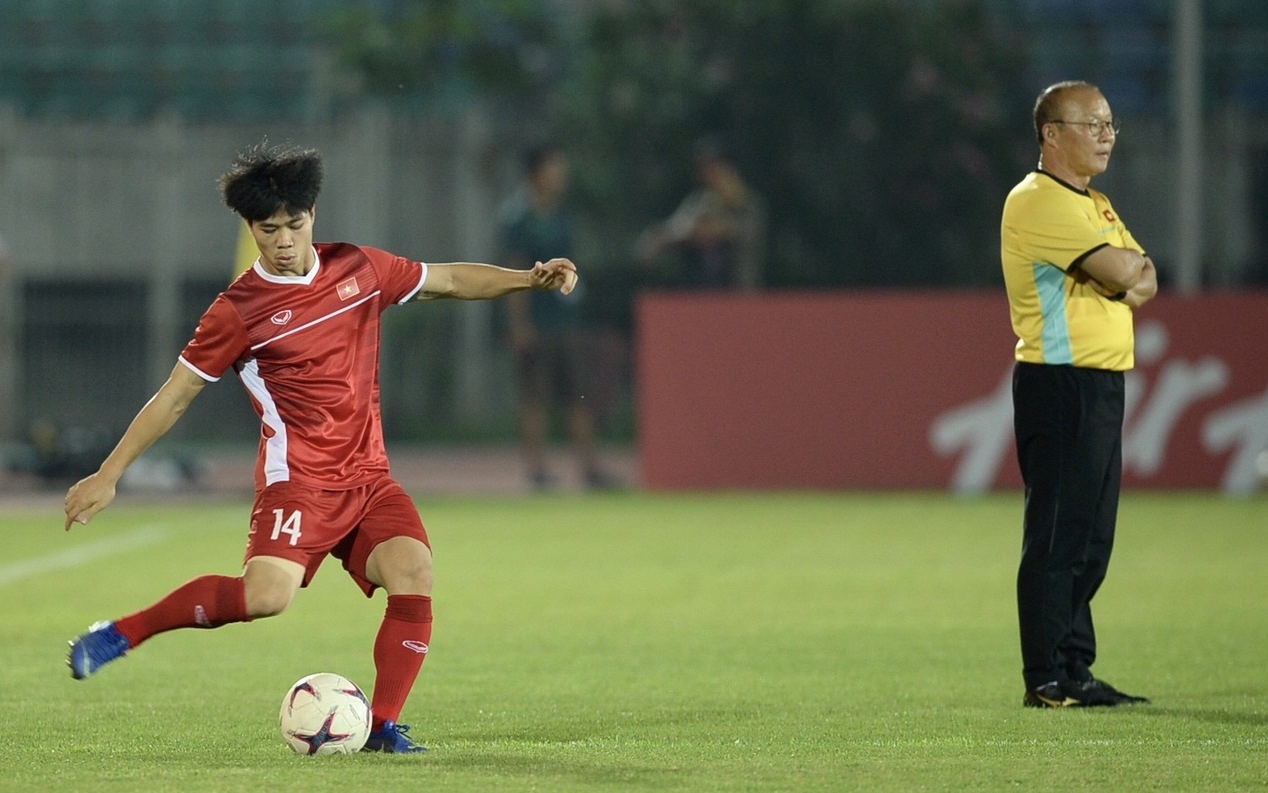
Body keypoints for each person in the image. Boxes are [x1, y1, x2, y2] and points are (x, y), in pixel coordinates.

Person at [62, 142, 578, 752]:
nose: (282, 241)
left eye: (294, 224)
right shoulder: (237, 311)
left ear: (314, 214)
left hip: (368, 477)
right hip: (299, 482)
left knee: (414, 571)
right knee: (265, 598)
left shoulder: (359, 269)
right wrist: (108, 473)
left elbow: (450, 280)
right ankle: (122, 633)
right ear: (250, 228)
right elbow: (174, 397)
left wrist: (529, 279)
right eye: (267, 229)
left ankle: (383, 726)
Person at [1001, 81, 1157, 709]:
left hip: (1099, 384)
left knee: (1091, 540)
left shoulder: (1094, 203)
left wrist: (1123, 273)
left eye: (1110, 123)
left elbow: (1145, 278)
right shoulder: (1038, 200)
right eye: (1091, 123)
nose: (1106, 134)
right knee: (1058, 535)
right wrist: (1121, 273)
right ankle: (1044, 677)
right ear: (1051, 133)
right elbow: (1128, 273)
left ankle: (1074, 669)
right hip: (1059, 383)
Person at [499, 144, 615, 490]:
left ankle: (590, 468)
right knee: (535, 396)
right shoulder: (517, 218)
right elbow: (513, 273)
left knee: (576, 394)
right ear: (536, 173)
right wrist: (519, 324)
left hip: (565, 321)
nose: (561, 175)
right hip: (535, 320)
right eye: (554, 168)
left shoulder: (562, 215)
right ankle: (537, 470)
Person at [638, 136, 765, 290]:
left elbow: (725, 232)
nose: (707, 174)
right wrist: (656, 239)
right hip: (700, 294)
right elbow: (672, 229)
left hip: (739, 294)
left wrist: (694, 230)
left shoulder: (749, 204)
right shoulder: (698, 202)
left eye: (713, 167)